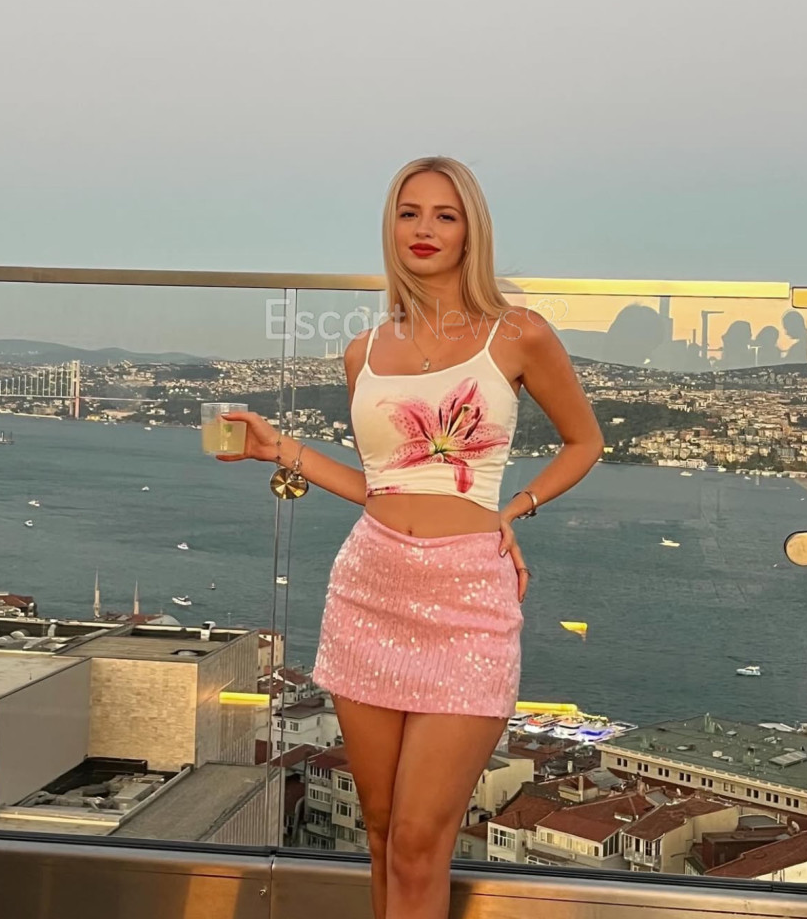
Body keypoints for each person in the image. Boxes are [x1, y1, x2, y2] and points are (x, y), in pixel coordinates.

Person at [220, 155, 604, 919]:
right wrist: (279, 450)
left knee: (420, 841)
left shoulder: (518, 333)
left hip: (468, 600)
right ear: (390, 228)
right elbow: (383, 487)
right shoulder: (362, 351)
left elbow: (584, 441)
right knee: (381, 830)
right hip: (368, 588)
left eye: (444, 215)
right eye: (409, 212)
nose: (424, 229)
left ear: (469, 232)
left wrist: (512, 509)